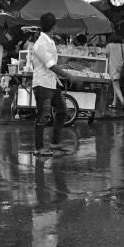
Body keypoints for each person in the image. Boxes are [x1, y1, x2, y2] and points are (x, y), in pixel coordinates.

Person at [30, 13, 78, 156]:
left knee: (62, 111)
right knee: (43, 115)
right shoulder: (41, 44)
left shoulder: (49, 41)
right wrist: (68, 75)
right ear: (53, 26)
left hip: (51, 83)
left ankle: (55, 142)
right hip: (42, 83)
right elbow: (50, 65)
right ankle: (39, 148)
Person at [105, 34, 124, 114]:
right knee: (117, 84)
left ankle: (122, 101)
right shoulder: (122, 46)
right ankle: (114, 102)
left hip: (112, 67)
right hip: (121, 67)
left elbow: (107, 55)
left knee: (115, 85)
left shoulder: (109, 45)